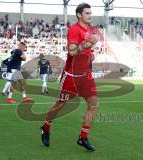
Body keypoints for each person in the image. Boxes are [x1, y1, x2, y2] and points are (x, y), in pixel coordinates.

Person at [40, 3, 100, 152]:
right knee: (59, 106)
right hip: (71, 76)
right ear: (79, 15)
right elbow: (72, 52)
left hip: (85, 75)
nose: (90, 15)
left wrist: (90, 54)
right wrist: (88, 44)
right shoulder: (74, 30)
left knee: (93, 104)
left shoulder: (90, 29)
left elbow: (84, 51)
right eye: (87, 13)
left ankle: (83, 137)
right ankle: (46, 127)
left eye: (90, 13)